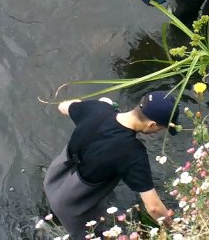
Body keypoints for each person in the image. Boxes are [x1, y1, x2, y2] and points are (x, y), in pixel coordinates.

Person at [43, 91, 180, 239]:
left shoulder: (97, 108)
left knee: (54, 218)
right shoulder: (133, 153)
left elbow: (63, 107)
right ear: (151, 124)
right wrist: (176, 229)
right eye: (160, 128)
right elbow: (154, 208)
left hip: (53, 180)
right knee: (94, 235)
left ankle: (51, 219)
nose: (158, 131)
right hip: (72, 205)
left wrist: (93, 105)